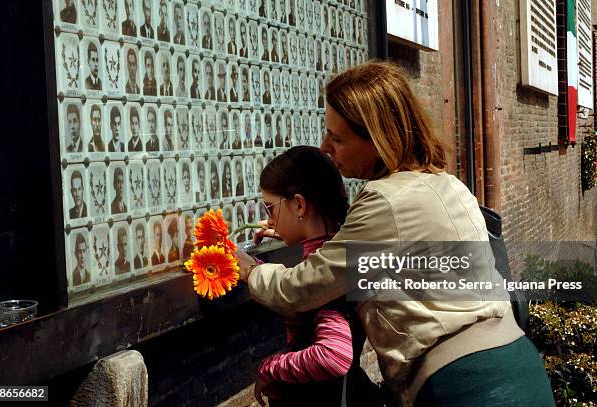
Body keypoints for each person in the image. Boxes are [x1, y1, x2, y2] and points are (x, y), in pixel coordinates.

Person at [237, 62, 556, 407]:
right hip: (518, 365)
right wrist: (295, 230)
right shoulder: (446, 184)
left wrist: (250, 270)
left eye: (338, 138)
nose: (325, 146)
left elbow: (302, 289)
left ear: (376, 139)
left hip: (465, 386)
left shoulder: (385, 202)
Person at [249, 146, 378, 407]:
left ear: (299, 204)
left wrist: (270, 368)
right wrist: (290, 231)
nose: (269, 221)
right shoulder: (337, 252)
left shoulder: (326, 275)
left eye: (270, 209)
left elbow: (334, 355)